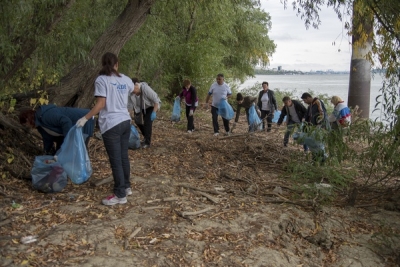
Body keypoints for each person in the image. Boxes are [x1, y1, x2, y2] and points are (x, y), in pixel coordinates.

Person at [75, 52, 135, 206]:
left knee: (116, 160)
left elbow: (101, 104)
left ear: (103, 64)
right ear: (117, 64)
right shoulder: (125, 79)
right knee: (123, 156)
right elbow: (135, 89)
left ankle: (120, 194)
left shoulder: (101, 80)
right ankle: (126, 186)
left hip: (111, 124)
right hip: (125, 122)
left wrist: (85, 118)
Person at [19, 105, 95, 155]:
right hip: (70, 129)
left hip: (84, 120)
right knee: (61, 153)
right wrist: (46, 152)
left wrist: (68, 140)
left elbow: (66, 121)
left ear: (28, 119)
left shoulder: (46, 116)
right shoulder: (40, 126)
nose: (27, 126)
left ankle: (81, 174)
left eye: (26, 124)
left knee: (80, 150)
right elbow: (47, 139)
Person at [128, 78, 161, 148]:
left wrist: (154, 112)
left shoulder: (145, 89)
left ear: (136, 85)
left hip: (151, 106)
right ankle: (146, 137)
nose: (132, 91)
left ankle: (147, 142)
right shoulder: (130, 93)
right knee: (138, 122)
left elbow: (156, 100)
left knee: (147, 123)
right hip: (141, 107)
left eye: (132, 88)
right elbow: (130, 106)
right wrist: (128, 117)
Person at [301, 92, 330, 162]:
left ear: (308, 98)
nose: (305, 102)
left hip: (320, 127)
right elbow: (307, 114)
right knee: (314, 143)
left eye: (305, 100)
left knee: (319, 144)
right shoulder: (311, 105)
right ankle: (315, 158)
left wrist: (319, 125)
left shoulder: (317, 102)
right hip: (313, 127)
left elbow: (322, 114)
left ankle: (323, 159)